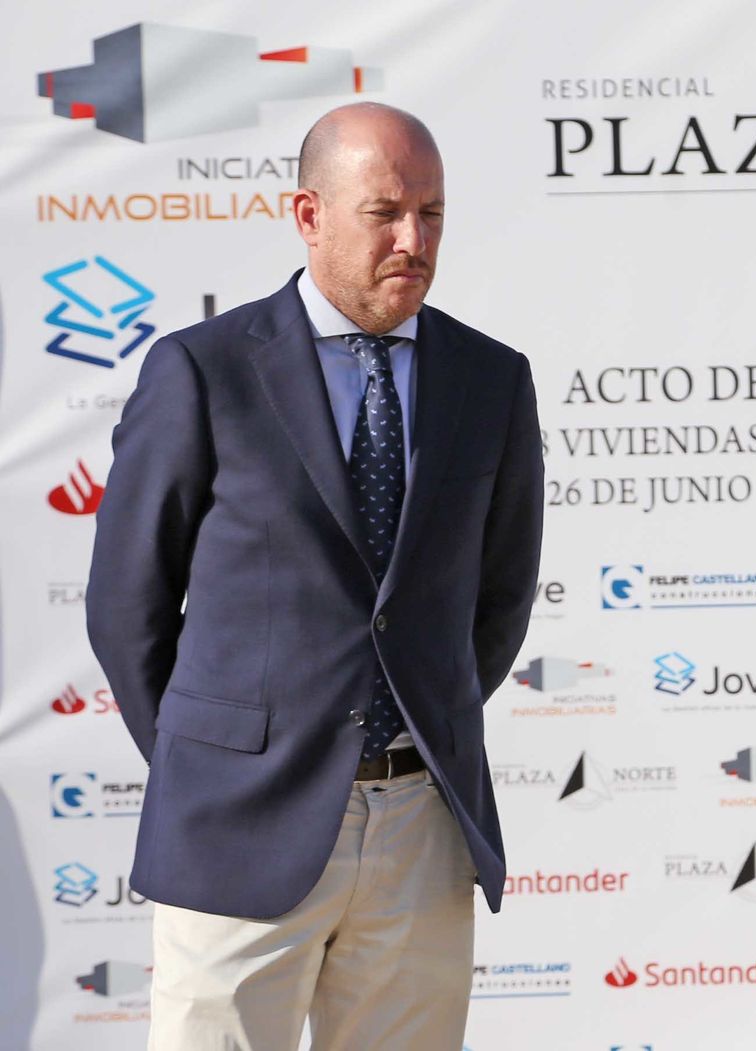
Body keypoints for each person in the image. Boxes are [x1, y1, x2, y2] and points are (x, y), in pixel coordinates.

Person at [85, 102, 542, 1049]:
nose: (412, 240)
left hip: (422, 825)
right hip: (237, 826)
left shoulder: (491, 379)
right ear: (308, 213)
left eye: (432, 214)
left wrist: (420, 723)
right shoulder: (202, 371)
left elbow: (497, 599)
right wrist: (212, 759)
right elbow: (127, 606)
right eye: (384, 213)